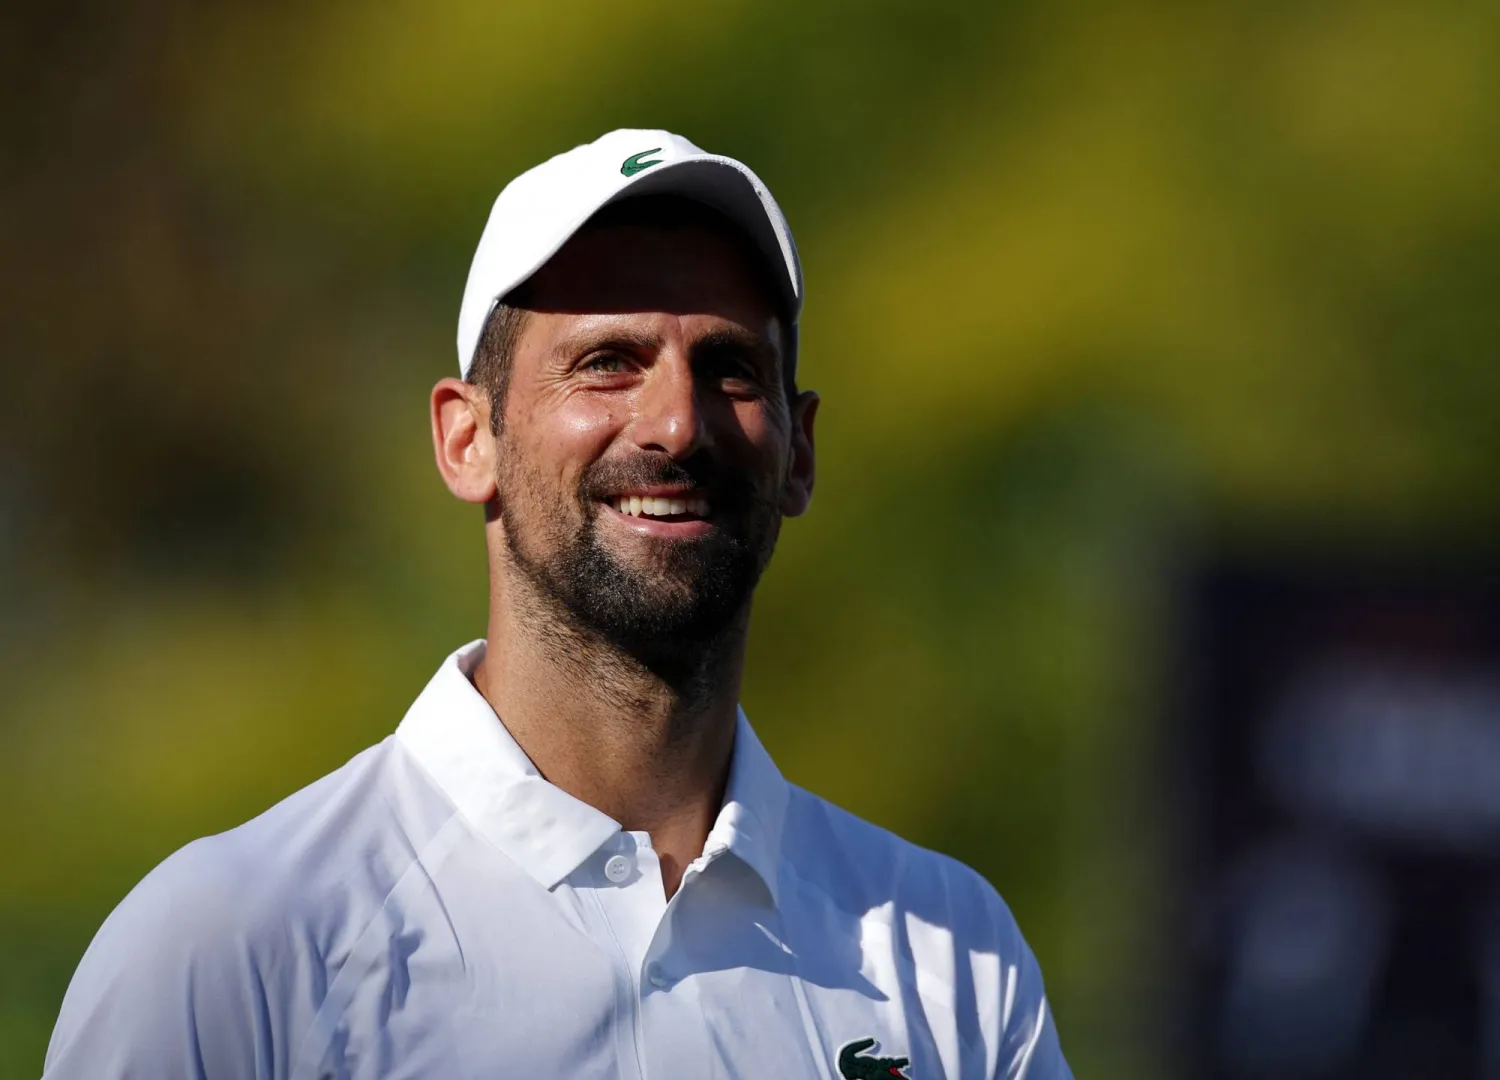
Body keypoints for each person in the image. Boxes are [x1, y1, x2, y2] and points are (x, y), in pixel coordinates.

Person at [43, 129, 1071, 1080]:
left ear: (799, 452)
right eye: (607, 363)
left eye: (730, 369)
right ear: (467, 439)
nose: (677, 423)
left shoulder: (952, 958)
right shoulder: (235, 948)